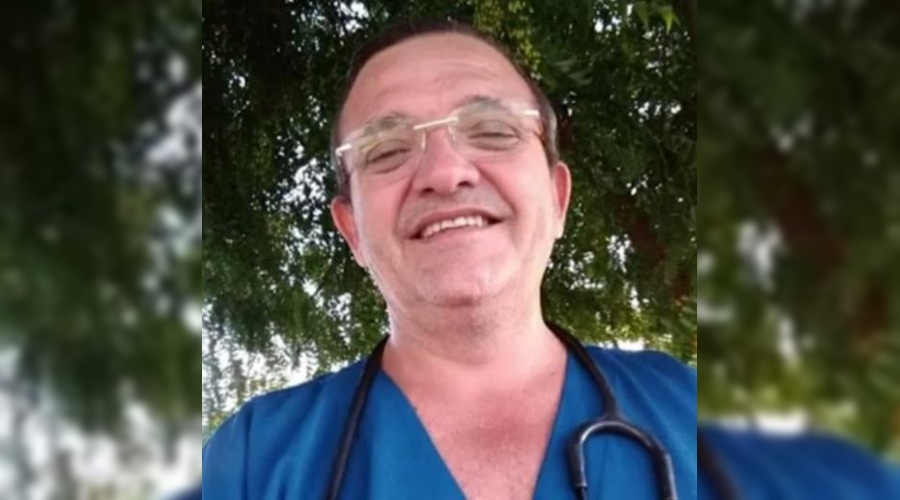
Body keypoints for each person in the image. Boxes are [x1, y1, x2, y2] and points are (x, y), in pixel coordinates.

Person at [202, 19, 697, 499]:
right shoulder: (250, 464)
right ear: (352, 230)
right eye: (387, 150)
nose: (444, 172)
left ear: (557, 198)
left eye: (492, 130)